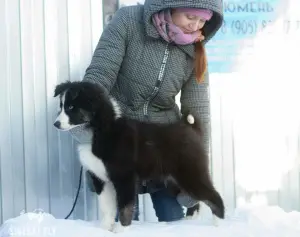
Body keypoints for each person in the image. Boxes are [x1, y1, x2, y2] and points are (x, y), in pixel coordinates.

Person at [69, 0, 223, 222]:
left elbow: (199, 112)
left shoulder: (196, 49)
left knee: (173, 221)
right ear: (169, 5)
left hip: (160, 148)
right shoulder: (128, 21)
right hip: (119, 141)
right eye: (190, 17)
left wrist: (196, 170)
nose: (195, 25)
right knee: (123, 222)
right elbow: (99, 76)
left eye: (202, 20)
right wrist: (88, 127)